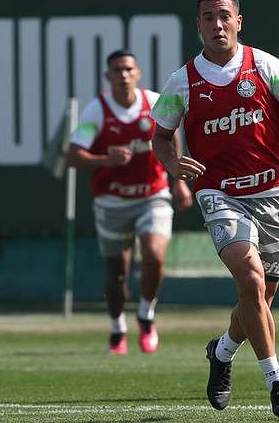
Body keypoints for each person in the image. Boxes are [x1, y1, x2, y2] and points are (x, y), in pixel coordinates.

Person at [151, 0, 279, 418]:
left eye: (224, 16)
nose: (217, 24)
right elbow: (160, 135)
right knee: (251, 282)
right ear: (199, 25)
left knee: (261, 296)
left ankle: (222, 352)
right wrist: (173, 164)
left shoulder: (265, 66)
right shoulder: (183, 80)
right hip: (220, 193)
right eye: (208, 17)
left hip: (274, 193)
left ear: (238, 21)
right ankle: (277, 383)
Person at [68, 50, 193, 355]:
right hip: (111, 202)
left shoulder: (152, 102)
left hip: (153, 195)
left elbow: (171, 135)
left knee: (153, 255)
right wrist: (104, 159)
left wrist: (178, 180)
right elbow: (72, 155)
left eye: (128, 69)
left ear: (137, 73)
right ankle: (116, 328)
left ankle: (146, 316)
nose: (123, 75)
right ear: (107, 77)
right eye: (116, 70)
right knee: (116, 273)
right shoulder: (97, 110)